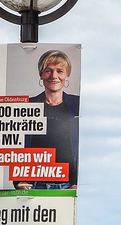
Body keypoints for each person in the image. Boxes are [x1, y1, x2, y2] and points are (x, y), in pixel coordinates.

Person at [22, 50, 80, 189]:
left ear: (67, 75)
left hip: (68, 186)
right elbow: (16, 145)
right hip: (34, 185)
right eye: (48, 71)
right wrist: (19, 179)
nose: (54, 76)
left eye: (60, 71)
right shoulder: (27, 106)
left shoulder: (78, 105)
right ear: (41, 75)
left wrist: (76, 181)